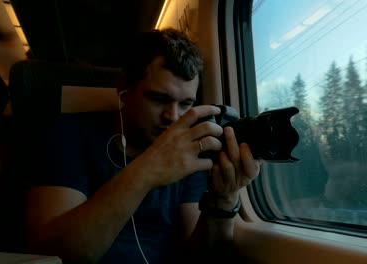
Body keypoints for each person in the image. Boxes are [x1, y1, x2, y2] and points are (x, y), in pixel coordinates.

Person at [24, 28, 261, 264]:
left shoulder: (191, 152)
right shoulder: (69, 135)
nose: (173, 116)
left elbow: (196, 256)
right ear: (123, 88)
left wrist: (223, 199)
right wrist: (147, 171)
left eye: (185, 104)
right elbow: (54, 253)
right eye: (159, 99)